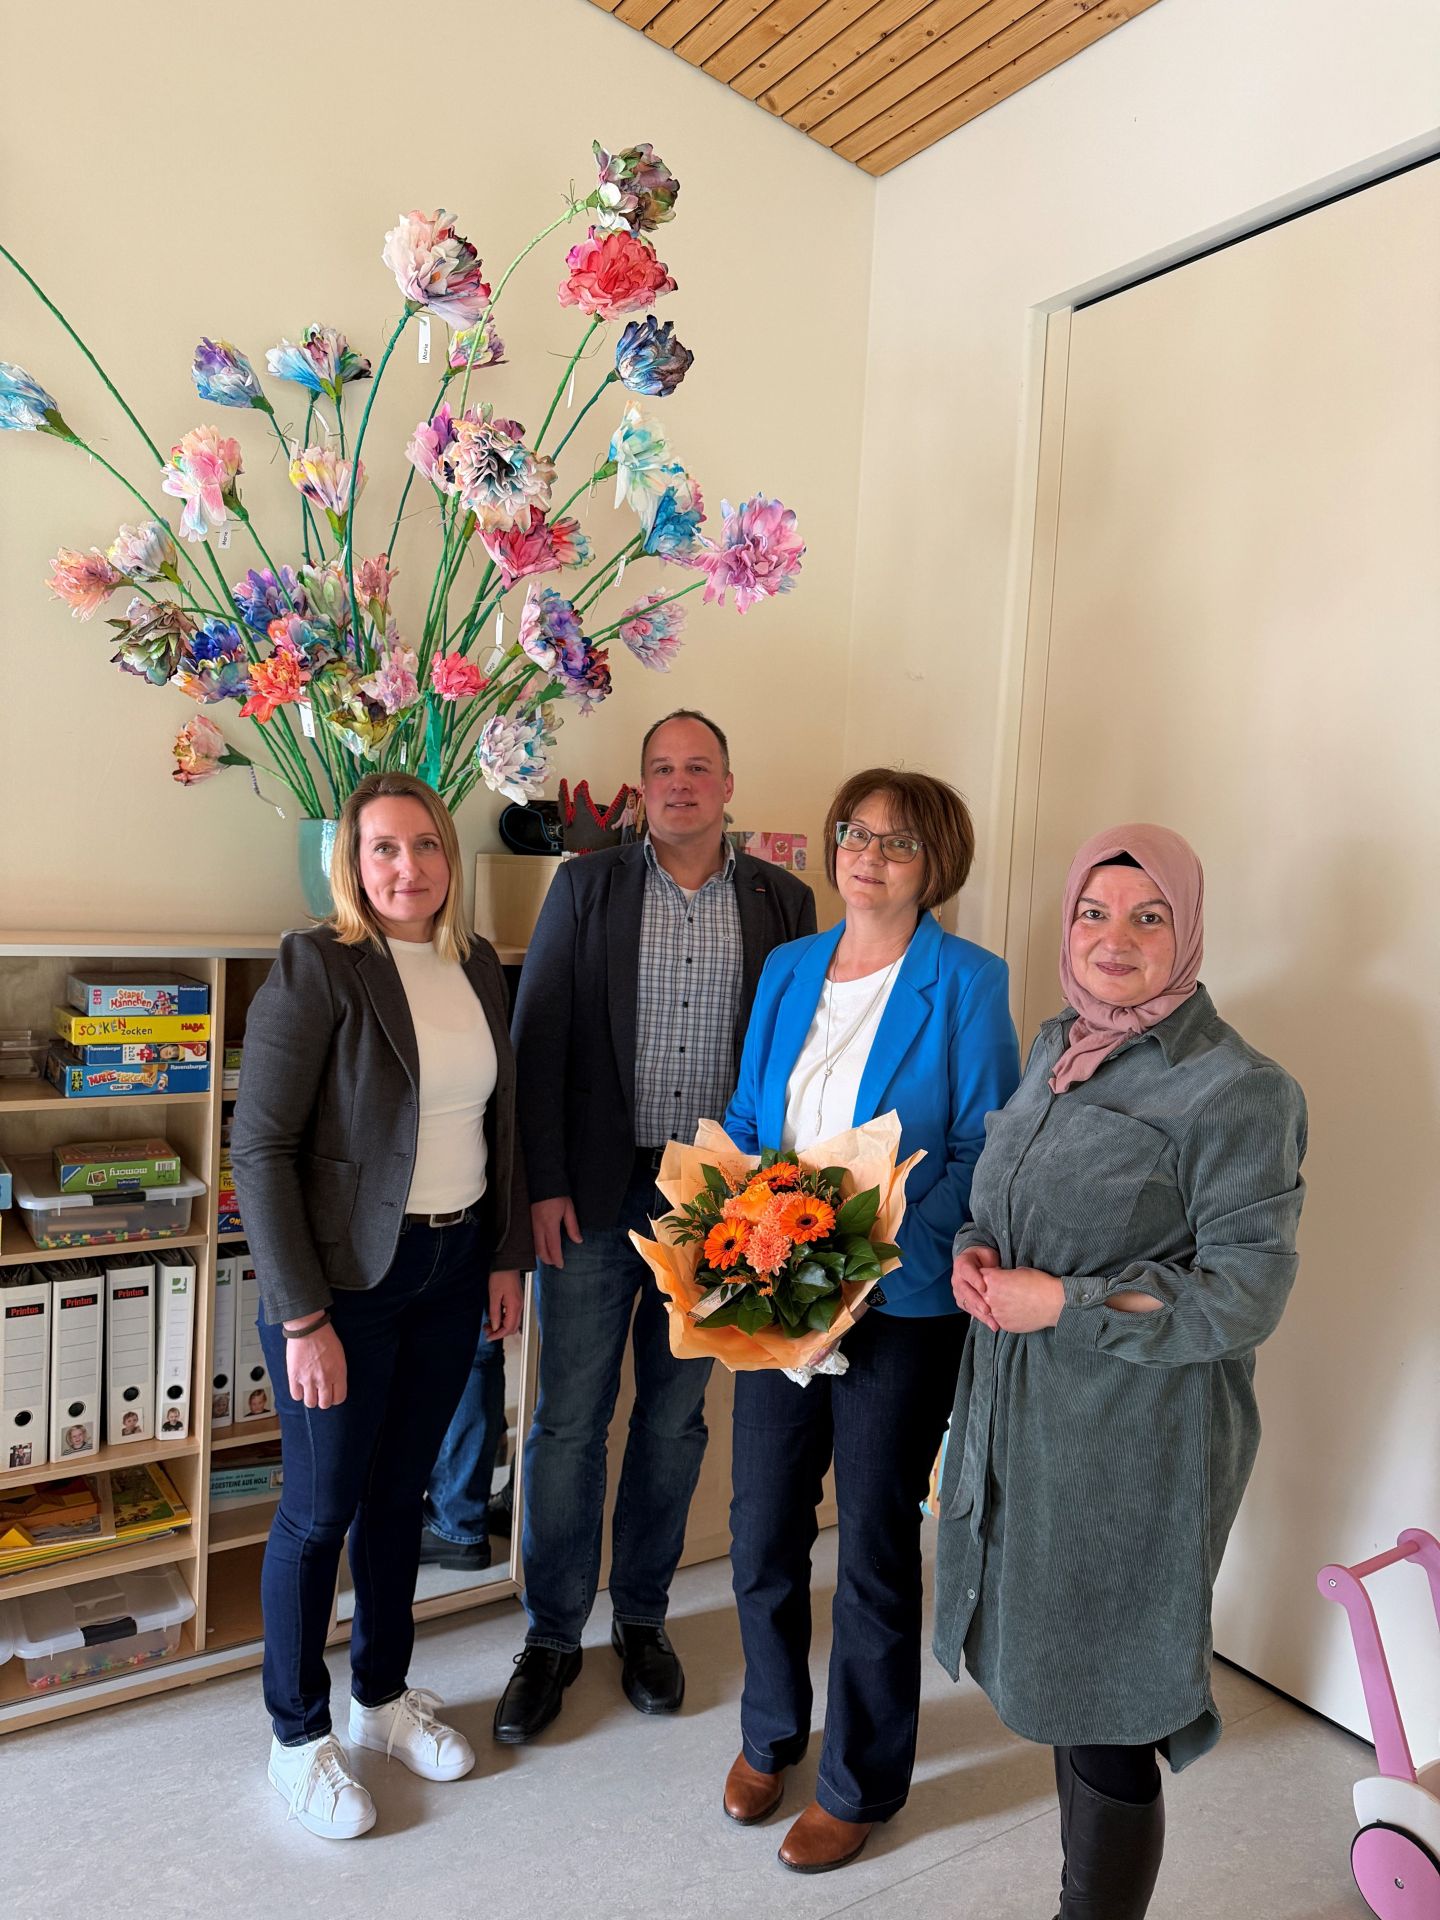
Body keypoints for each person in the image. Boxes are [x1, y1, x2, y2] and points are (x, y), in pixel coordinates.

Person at [934, 824, 1308, 1919]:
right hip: (1025, 1420)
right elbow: (1006, 1197)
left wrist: (1065, 1303)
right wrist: (977, 1252)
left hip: (1134, 1443)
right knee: (1060, 1678)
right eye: (1095, 914)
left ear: (1186, 932)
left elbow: (1247, 1296)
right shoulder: (1063, 1043)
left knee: (1105, 1703)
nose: (1115, 939)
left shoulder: (1237, 1090)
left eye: (1149, 918)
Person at [496, 710, 816, 1744]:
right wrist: (541, 1182)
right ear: (641, 790)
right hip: (590, 1194)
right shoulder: (587, 887)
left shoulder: (784, 900)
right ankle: (550, 1634)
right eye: (662, 769)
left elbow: (799, 1057)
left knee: (676, 1420)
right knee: (569, 1419)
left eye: (699, 767)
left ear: (730, 783)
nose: (681, 782)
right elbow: (535, 1042)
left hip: (715, 1207)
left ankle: (641, 1618)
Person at [720, 769, 1020, 1872]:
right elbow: (755, 1112)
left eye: (898, 843)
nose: (868, 856)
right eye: (856, 834)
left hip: (897, 1301)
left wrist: (865, 1251)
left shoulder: (969, 983)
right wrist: (752, 1218)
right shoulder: (791, 964)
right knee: (761, 1530)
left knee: (879, 1548)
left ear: (936, 863)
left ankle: (859, 1781)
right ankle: (770, 1732)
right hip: (773, 1287)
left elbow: (987, 1144)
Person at [230, 771, 532, 1841]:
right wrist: (302, 1318)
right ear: (352, 866)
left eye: (424, 846)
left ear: (451, 856)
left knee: (399, 1495)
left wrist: (502, 1260)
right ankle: (297, 1737)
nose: (407, 868)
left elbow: (500, 1128)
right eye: (383, 850)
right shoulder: (321, 967)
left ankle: (380, 1699)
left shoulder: (477, 965)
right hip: (344, 1288)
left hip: (450, 1274)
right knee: (319, 1514)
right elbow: (257, 1151)